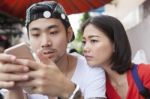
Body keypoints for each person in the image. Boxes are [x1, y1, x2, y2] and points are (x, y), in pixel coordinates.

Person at [0, 1, 106, 99]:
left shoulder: (91, 69)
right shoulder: (23, 71)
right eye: (36, 34)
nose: (45, 42)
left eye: (53, 32)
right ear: (29, 39)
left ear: (68, 34)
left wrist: (68, 90)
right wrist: (14, 87)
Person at [81, 15, 150, 99]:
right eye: (84, 42)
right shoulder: (97, 87)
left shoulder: (146, 73)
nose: (85, 48)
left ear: (115, 44)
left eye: (94, 41)